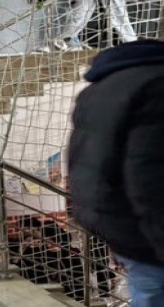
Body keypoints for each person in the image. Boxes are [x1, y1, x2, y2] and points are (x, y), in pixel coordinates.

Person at [68, 39, 164, 306]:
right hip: (148, 233)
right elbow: (149, 177)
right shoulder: (156, 87)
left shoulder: (98, 89)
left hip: (118, 224)